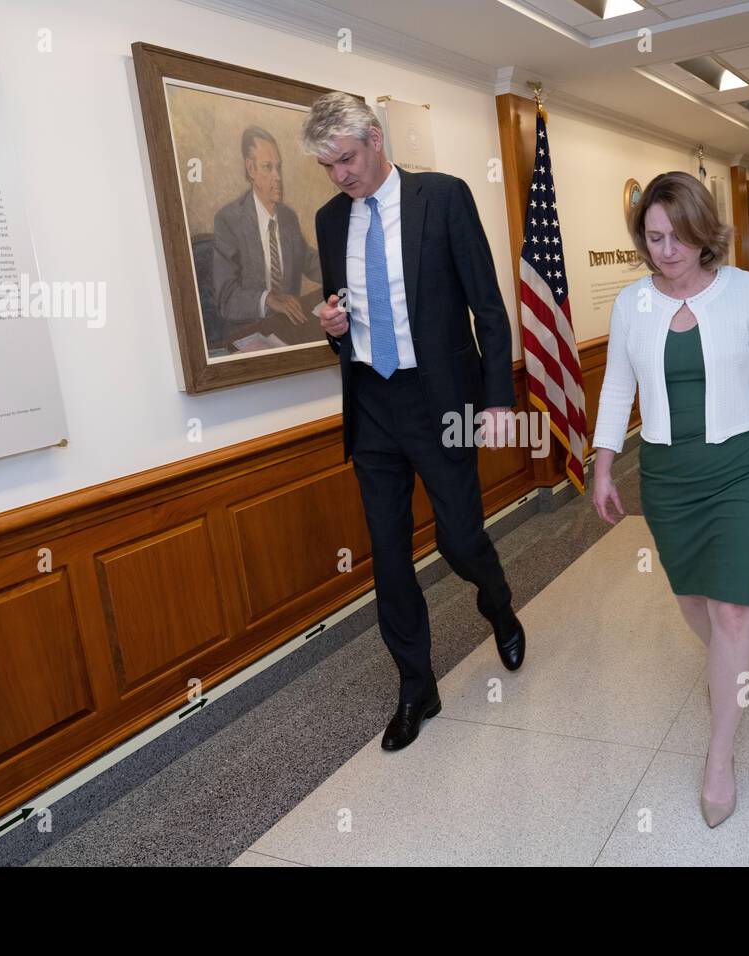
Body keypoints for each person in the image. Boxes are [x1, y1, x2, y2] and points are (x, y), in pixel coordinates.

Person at [591, 171, 749, 828]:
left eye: (678, 237)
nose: (665, 251)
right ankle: (732, 662)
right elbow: (614, 389)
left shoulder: (745, 294)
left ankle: (719, 755)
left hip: (743, 468)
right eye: (653, 237)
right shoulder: (633, 303)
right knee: (693, 600)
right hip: (668, 477)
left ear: (704, 234)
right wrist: (602, 465)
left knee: (730, 609)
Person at [300, 92, 525, 751]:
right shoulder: (328, 219)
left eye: (346, 158)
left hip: (441, 399)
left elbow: (486, 304)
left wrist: (498, 402)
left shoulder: (443, 197)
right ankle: (415, 686)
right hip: (372, 405)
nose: (341, 176)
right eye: (327, 166)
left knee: (459, 539)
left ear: (374, 138)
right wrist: (334, 330)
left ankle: (497, 601)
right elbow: (343, 315)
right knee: (390, 559)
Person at [211, 126, 323, 350]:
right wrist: (266, 299)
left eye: (278, 168)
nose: (277, 177)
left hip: (287, 326)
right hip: (247, 332)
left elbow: (309, 261)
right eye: (267, 168)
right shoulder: (229, 220)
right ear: (250, 169)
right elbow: (226, 298)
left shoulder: (288, 217)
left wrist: (347, 269)